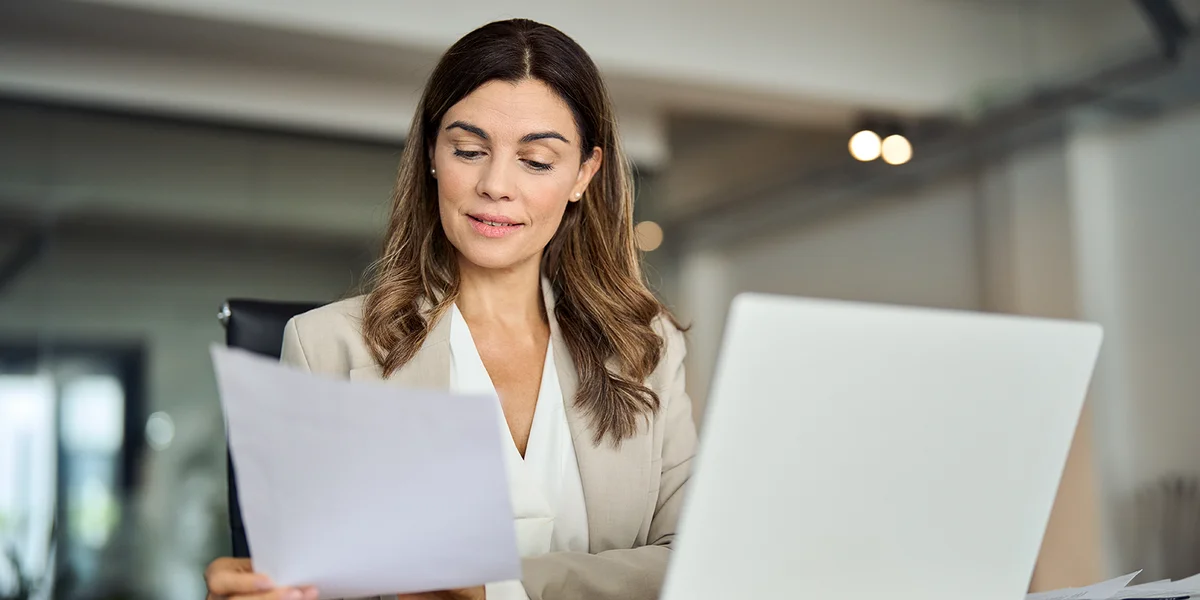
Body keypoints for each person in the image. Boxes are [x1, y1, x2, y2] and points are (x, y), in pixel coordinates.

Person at [204, 17, 697, 600]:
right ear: (433, 154)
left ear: (583, 175)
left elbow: (691, 563)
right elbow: (311, 584)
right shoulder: (327, 346)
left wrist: (497, 590)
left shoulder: (647, 349)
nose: (495, 184)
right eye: (469, 150)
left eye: (536, 161)